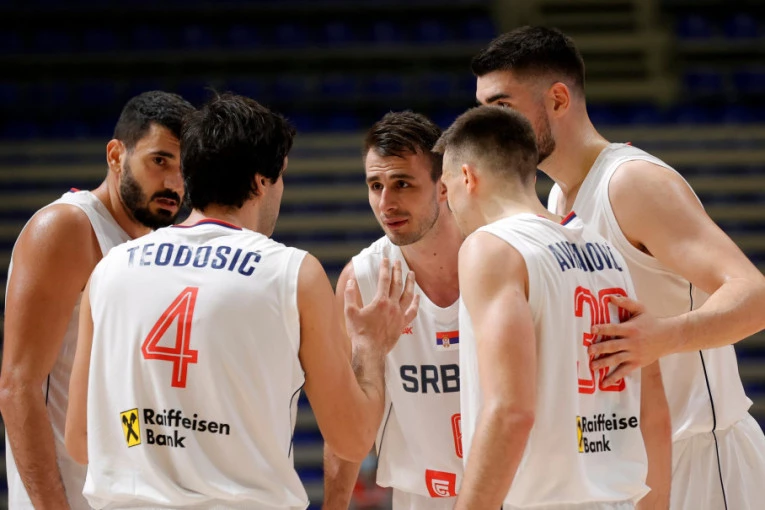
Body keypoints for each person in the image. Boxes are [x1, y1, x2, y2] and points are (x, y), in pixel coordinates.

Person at [64, 93, 419, 510]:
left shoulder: (110, 268)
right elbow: (353, 439)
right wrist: (370, 348)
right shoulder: (292, 273)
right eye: (280, 177)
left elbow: (81, 441)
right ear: (260, 181)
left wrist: (150, 442)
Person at [472, 26, 765, 510]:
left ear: (558, 99)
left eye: (501, 107)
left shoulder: (631, 182)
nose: (488, 128)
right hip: (633, 462)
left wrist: (665, 336)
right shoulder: (557, 198)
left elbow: (754, 295)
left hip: (703, 455)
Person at [435, 105, 670, 509]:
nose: (448, 204)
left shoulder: (491, 248)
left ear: (468, 178)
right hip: (619, 498)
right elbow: (654, 411)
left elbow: (510, 411)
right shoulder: (606, 252)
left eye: (446, 186)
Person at [0, 90, 194, 509]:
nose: (174, 184)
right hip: (66, 494)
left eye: (185, 169)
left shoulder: (153, 247)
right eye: (160, 161)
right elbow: (18, 386)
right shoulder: (66, 227)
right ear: (116, 155)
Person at [323, 112, 464, 510]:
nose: (386, 203)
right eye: (375, 186)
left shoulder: (501, 257)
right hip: (423, 499)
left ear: (444, 185)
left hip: (521, 492)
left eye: (402, 183)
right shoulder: (361, 282)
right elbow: (346, 421)